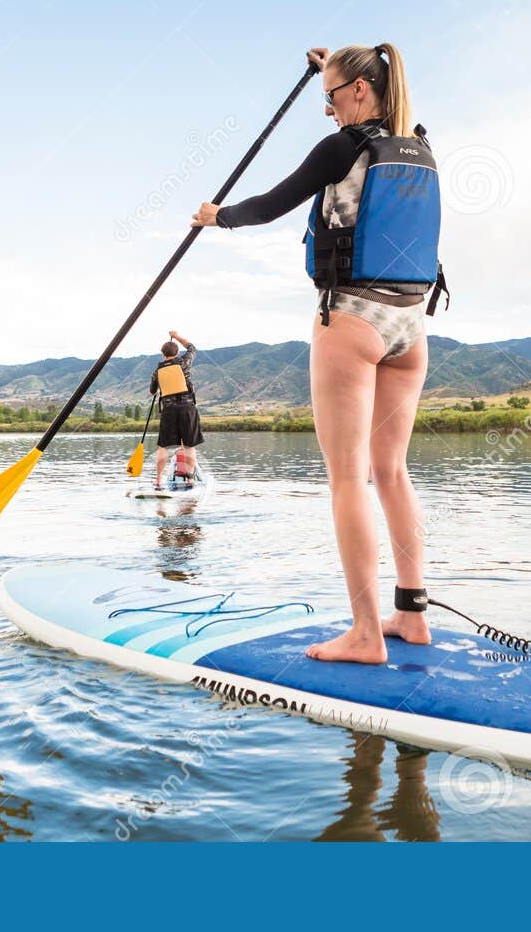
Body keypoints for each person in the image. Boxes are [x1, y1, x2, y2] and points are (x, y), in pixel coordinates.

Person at [191, 44, 446, 664]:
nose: (326, 111)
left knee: (346, 479)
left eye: (330, 97)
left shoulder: (342, 148)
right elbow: (387, 97)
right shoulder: (420, 145)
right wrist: (337, 64)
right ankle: (410, 617)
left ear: (360, 90)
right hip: (412, 328)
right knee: (392, 472)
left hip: (353, 321)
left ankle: (364, 634)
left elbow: (273, 203)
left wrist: (217, 216)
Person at [149, 330, 202, 490]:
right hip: (187, 409)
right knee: (189, 446)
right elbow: (192, 348)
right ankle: (190, 480)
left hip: (169, 411)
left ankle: (158, 480)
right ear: (177, 352)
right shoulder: (184, 362)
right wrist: (176, 335)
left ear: (162, 354)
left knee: (163, 447)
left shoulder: (157, 371)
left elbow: (152, 391)